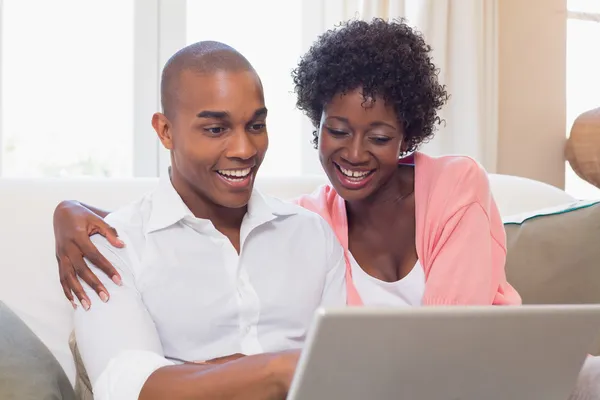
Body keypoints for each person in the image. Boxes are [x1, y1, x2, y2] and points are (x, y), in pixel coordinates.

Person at [54, 18, 520, 308]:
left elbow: (455, 336)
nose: (354, 154)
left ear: (407, 136)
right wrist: (71, 209)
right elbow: (190, 211)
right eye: (337, 130)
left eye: (379, 137)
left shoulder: (456, 186)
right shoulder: (311, 221)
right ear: (315, 123)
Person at [69, 41, 347, 400]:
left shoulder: (311, 234)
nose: (244, 149)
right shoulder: (111, 248)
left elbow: (340, 372)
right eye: (216, 129)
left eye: (256, 125)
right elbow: (127, 389)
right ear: (165, 131)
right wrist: (277, 370)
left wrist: (191, 373)